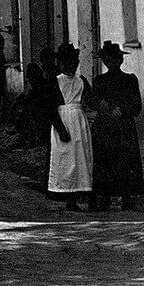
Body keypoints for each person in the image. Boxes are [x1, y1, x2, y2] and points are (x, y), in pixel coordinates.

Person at [91, 41, 144, 210]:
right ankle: (104, 197)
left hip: (124, 126)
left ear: (120, 61)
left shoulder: (129, 80)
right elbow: (94, 102)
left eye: (115, 59)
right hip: (105, 127)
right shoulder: (99, 81)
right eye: (107, 60)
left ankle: (127, 197)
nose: (111, 62)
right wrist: (108, 109)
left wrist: (122, 110)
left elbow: (137, 104)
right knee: (106, 160)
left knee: (126, 160)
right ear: (104, 62)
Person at [47, 43, 94, 211]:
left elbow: (91, 99)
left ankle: (82, 193)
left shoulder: (81, 81)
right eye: (66, 63)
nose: (71, 66)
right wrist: (60, 129)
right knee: (66, 159)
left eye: (74, 62)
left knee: (81, 158)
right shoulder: (56, 82)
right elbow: (50, 109)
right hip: (64, 119)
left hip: (79, 121)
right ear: (60, 64)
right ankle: (69, 195)